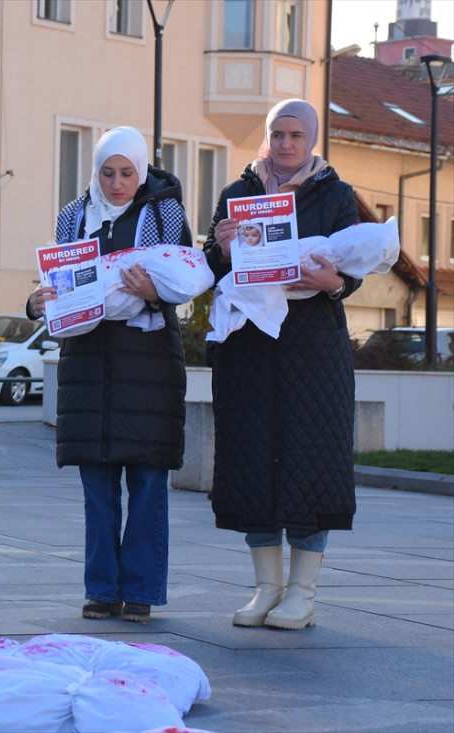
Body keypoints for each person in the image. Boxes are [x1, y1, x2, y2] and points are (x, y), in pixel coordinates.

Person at [204, 98, 360, 630]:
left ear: (311, 138)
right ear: (268, 137)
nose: (286, 144)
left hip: (313, 346)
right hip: (249, 346)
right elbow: (209, 261)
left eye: (296, 134)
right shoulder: (237, 193)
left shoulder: (337, 195)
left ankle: (303, 592)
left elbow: (355, 266)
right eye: (278, 134)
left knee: (311, 460)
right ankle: (267, 588)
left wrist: (333, 284)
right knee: (253, 461)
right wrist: (221, 248)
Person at [26, 126, 193, 624]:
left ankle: (139, 591)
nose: (117, 183)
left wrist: (154, 291)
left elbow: (185, 277)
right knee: (96, 484)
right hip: (88, 363)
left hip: (149, 365)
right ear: (95, 172)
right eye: (107, 172)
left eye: (126, 172)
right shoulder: (73, 216)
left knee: (146, 481)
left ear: (141, 171)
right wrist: (36, 303)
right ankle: (101, 589)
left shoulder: (165, 212)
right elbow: (56, 285)